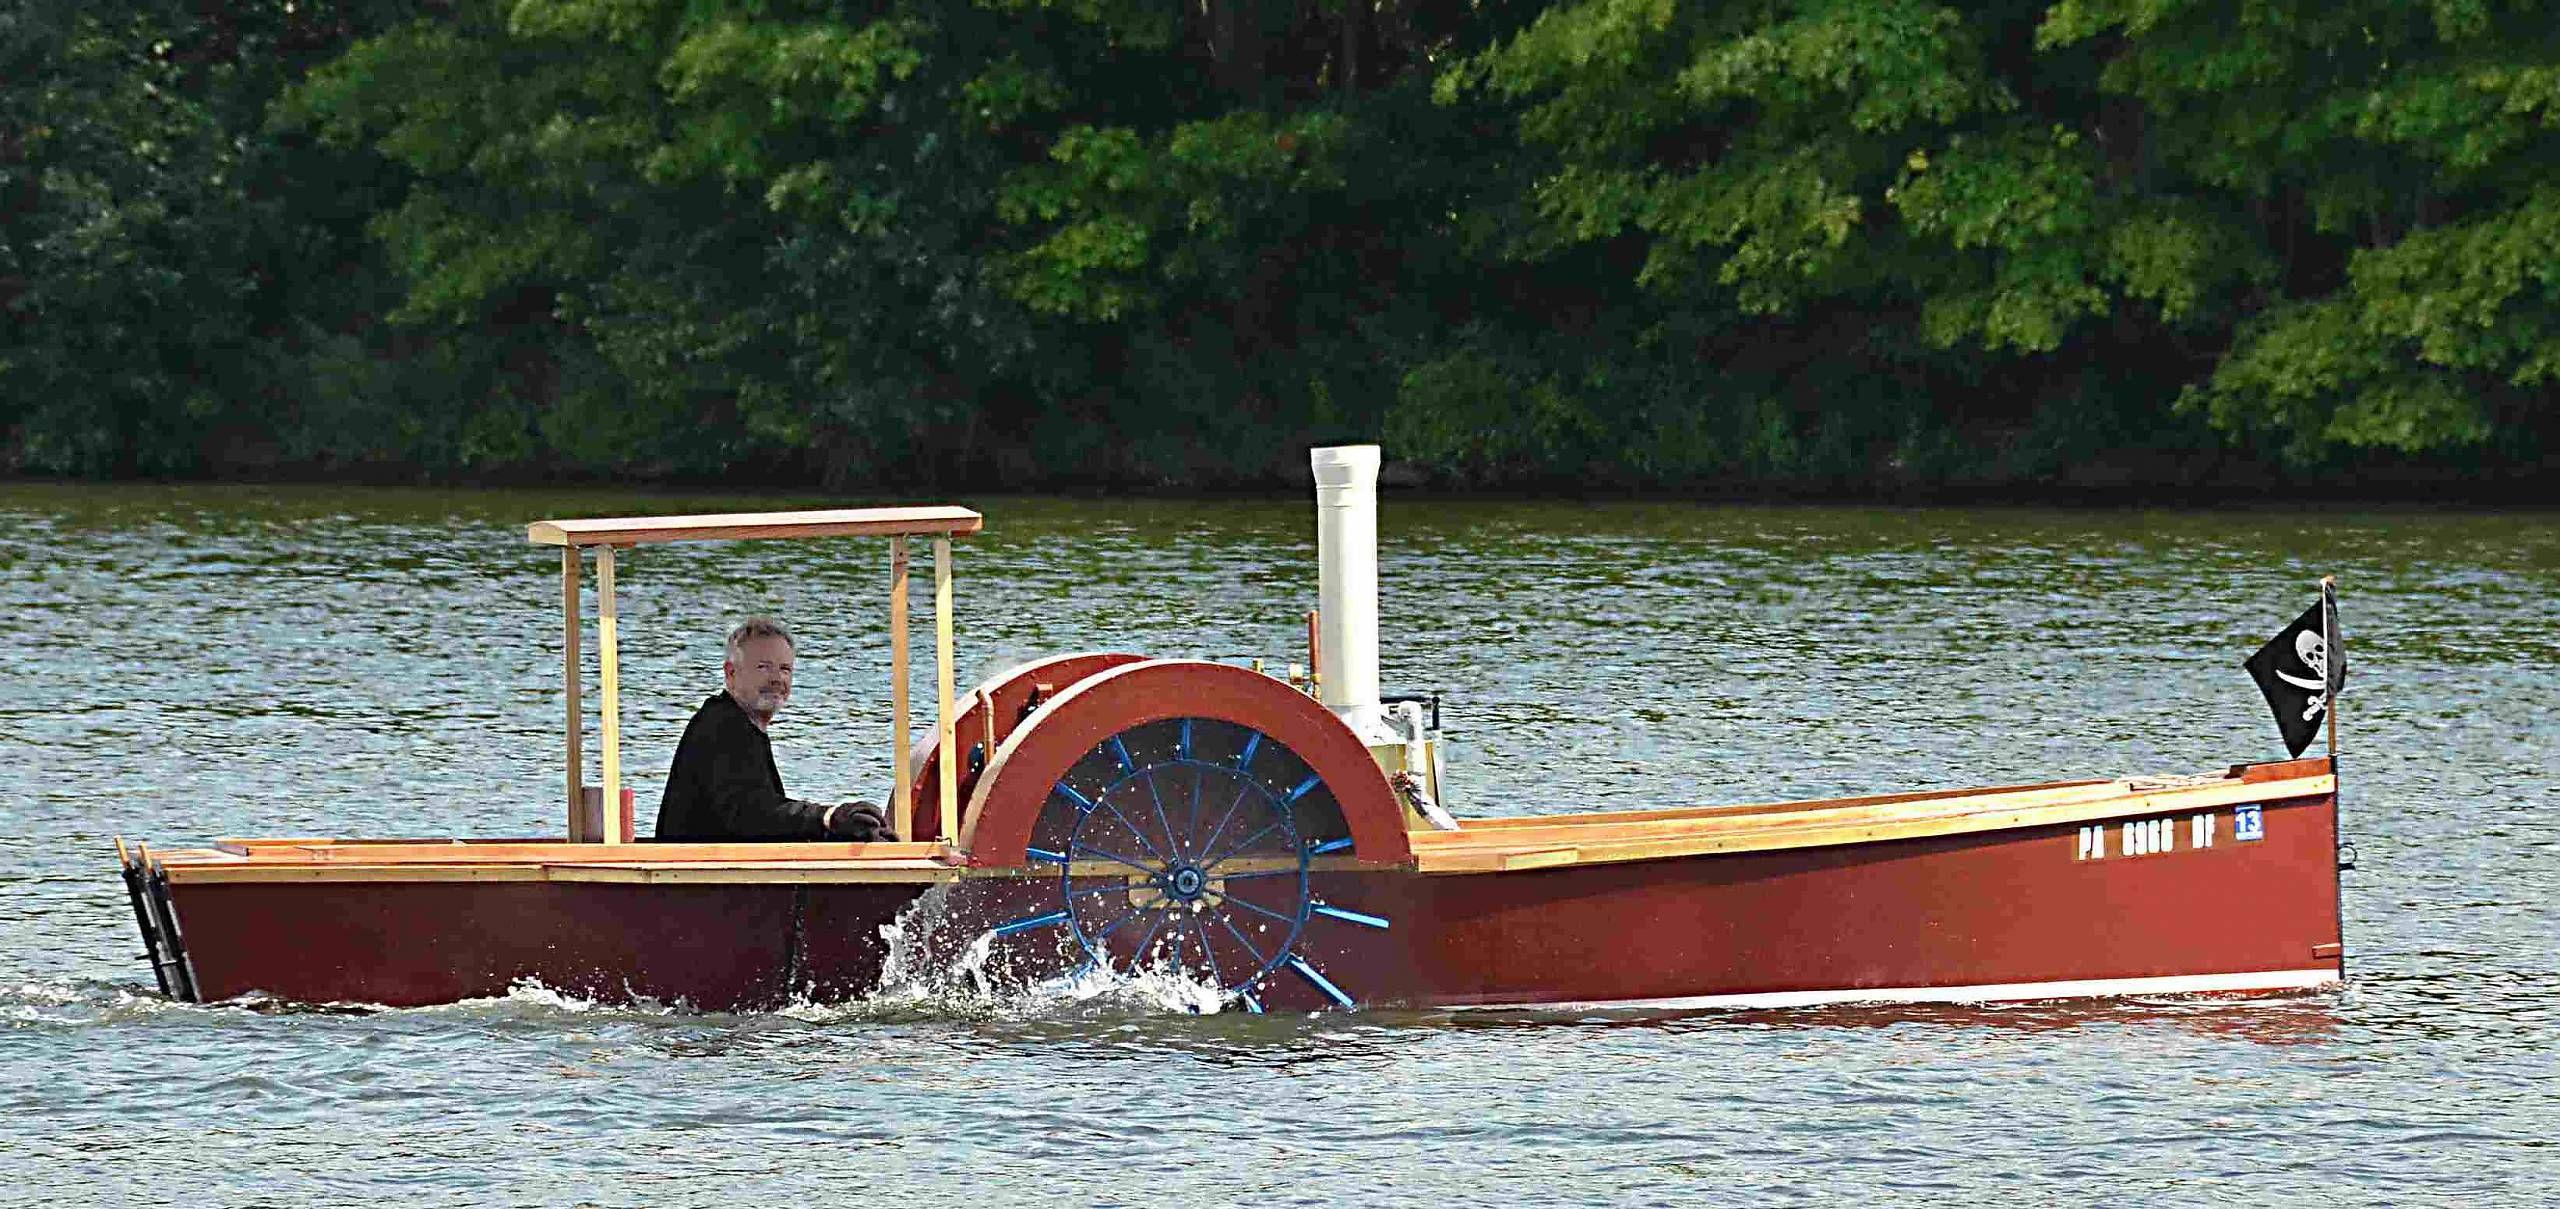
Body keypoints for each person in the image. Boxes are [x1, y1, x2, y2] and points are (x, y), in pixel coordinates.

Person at [654, 616, 894, 842]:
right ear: (731, 673)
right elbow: (751, 814)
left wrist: (840, 829)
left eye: (785, 669)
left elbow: (762, 817)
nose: (777, 678)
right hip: (696, 869)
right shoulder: (721, 726)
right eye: (764, 667)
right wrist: (828, 817)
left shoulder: (742, 725)